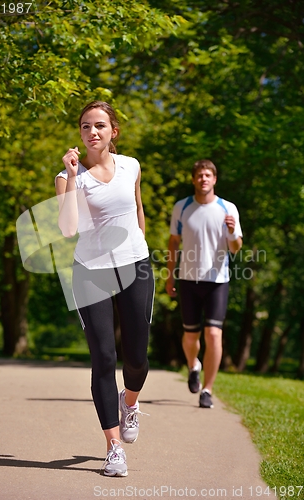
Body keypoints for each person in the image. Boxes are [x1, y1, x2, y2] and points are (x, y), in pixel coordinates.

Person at [55, 101, 154, 477]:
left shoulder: (132, 166)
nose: (91, 132)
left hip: (135, 266)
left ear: (114, 131)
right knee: (103, 358)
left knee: (137, 358)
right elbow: (67, 228)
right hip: (90, 271)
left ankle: (129, 402)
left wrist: (139, 246)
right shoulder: (69, 177)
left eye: (99, 125)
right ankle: (114, 449)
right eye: (84, 127)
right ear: (79, 134)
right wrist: (70, 174)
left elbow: (138, 207)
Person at [166, 159, 242, 409]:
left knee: (213, 334)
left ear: (215, 179)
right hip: (188, 279)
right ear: (193, 179)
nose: (203, 179)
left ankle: (207, 390)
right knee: (190, 337)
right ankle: (193, 366)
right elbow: (173, 242)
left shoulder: (227, 208)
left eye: (208, 175)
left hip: (217, 281)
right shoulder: (182, 207)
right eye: (199, 175)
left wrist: (232, 232)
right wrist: (170, 275)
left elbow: (235, 248)